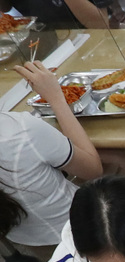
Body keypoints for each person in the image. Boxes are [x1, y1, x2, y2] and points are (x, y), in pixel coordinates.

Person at [10, 62, 125, 208]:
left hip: (24, 227)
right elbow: (92, 168)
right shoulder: (22, 129)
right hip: (74, 220)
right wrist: (55, 97)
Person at [1, 64, 103, 250]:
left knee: (119, 157)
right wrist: (55, 97)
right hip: (79, 230)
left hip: (29, 240)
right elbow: (93, 169)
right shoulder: (19, 129)